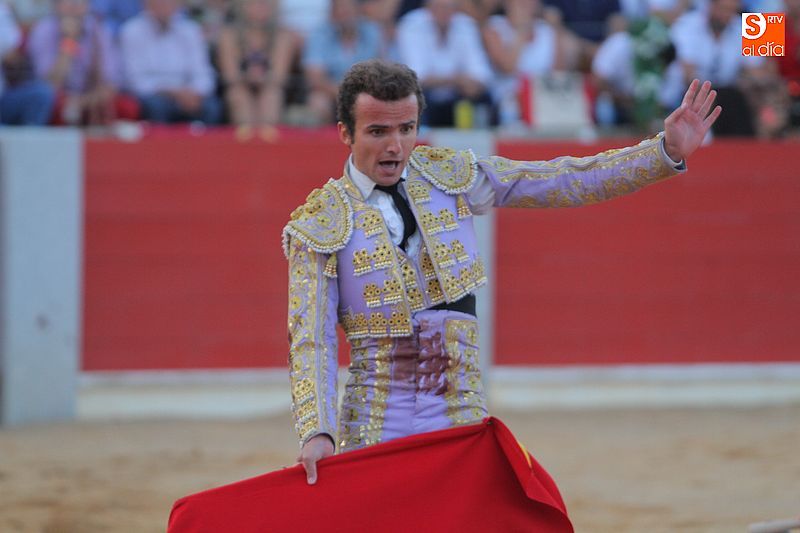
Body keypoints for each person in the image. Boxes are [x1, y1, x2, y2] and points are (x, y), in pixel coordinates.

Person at [284, 58, 721, 484]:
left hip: (459, 412)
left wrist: (660, 154)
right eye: (378, 131)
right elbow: (312, 340)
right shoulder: (318, 225)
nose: (396, 146)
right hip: (375, 421)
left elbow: (560, 179)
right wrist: (317, 431)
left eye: (407, 128)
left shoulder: (449, 176)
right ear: (345, 133)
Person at [28, 0, 139, 126]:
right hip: (59, 98)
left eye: (79, 2)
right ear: (56, 6)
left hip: (91, 98)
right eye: (68, 2)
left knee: (128, 107)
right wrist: (69, 41)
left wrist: (82, 102)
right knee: (51, 104)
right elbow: (50, 85)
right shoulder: (44, 31)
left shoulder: (98, 30)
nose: (74, 7)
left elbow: (111, 81)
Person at [119, 0, 221, 125]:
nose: (165, 5)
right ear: (146, 4)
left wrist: (195, 93)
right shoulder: (132, 31)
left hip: (188, 92)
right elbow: (134, 81)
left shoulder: (190, 30)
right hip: (154, 94)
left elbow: (203, 73)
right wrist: (172, 92)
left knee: (212, 106)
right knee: (156, 106)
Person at [396, 0, 494, 127]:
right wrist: (457, 79)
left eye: (449, 7)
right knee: (415, 96)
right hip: (427, 96)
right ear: (428, 7)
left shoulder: (466, 25)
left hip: (458, 95)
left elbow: (482, 74)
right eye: (439, 7)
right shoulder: (411, 25)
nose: (444, 12)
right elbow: (415, 76)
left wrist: (470, 84)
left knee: (483, 97)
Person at [216, 0, 296, 140]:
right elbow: (230, 75)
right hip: (240, 86)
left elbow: (279, 76)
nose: (260, 8)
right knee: (238, 95)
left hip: (270, 86)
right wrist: (248, 77)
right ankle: (246, 141)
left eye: (264, 3)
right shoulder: (228, 35)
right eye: (255, 3)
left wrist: (261, 78)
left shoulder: (283, 36)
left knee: (272, 95)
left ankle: (267, 141)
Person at [303, 0, 383, 125]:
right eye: (339, 8)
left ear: (358, 10)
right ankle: (324, 138)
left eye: (348, 8)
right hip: (330, 91)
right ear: (332, 12)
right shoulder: (319, 33)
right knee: (318, 101)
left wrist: (359, 94)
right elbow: (315, 77)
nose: (344, 13)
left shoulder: (372, 31)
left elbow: (381, 71)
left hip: (365, 90)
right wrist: (344, 93)